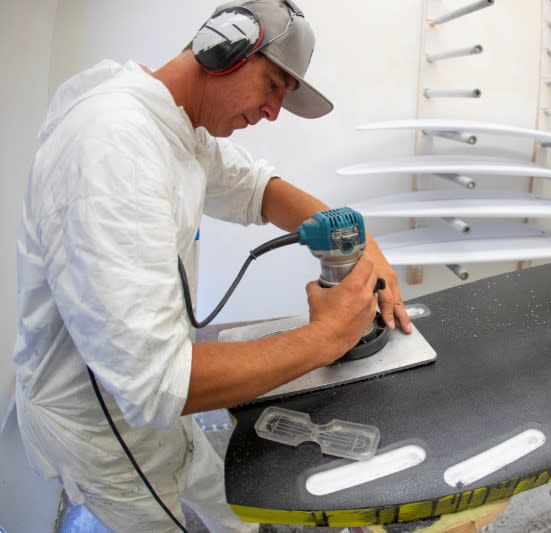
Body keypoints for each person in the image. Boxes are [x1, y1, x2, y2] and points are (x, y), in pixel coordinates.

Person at [12, 1, 411, 531]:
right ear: (222, 48)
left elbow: (257, 189)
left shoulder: (176, 127)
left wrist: (358, 236)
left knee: (226, 496)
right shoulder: (112, 147)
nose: (272, 112)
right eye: (272, 85)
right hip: (106, 432)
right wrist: (328, 337)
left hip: (158, 410)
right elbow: (155, 384)